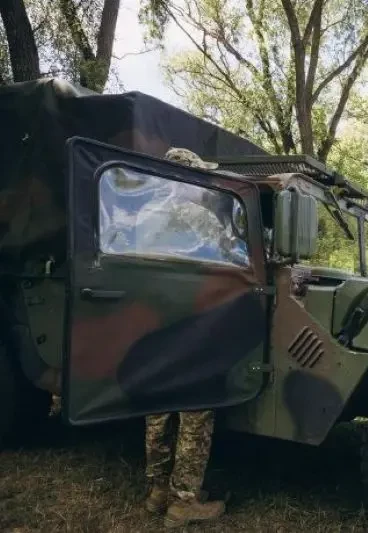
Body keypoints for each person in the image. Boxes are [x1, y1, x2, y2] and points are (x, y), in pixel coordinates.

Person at [143, 147, 225, 528]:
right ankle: (184, 501)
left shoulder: (143, 214)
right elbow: (235, 257)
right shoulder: (197, 215)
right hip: (190, 326)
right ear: (186, 179)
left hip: (150, 325)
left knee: (158, 410)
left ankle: (158, 490)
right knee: (195, 412)